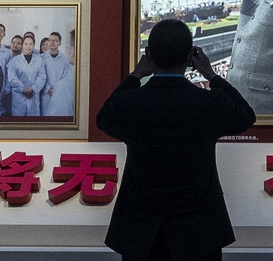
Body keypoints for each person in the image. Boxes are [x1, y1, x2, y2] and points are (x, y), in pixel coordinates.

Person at [97, 19, 255, 261]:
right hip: (199, 235)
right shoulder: (207, 104)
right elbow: (246, 115)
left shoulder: (130, 104)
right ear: (190, 55)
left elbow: (103, 118)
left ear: (148, 55)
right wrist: (210, 74)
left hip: (143, 234)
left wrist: (136, 74)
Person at [8, 35, 47, 116]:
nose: (28, 47)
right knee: (18, 123)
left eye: (30, 44)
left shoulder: (39, 60)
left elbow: (42, 77)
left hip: (34, 96)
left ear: (34, 45)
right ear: (22, 45)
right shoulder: (15, 60)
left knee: (33, 123)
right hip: (18, 96)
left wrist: (33, 88)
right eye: (25, 44)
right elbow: (12, 78)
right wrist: (23, 89)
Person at [40, 32, 71, 116]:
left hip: (59, 95)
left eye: (55, 40)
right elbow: (40, 77)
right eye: (50, 40)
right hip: (45, 95)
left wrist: (56, 90)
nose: (52, 42)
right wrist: (48, 89)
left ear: (59, 43)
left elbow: (66, 77)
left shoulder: (64, 59)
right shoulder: (41, 58)